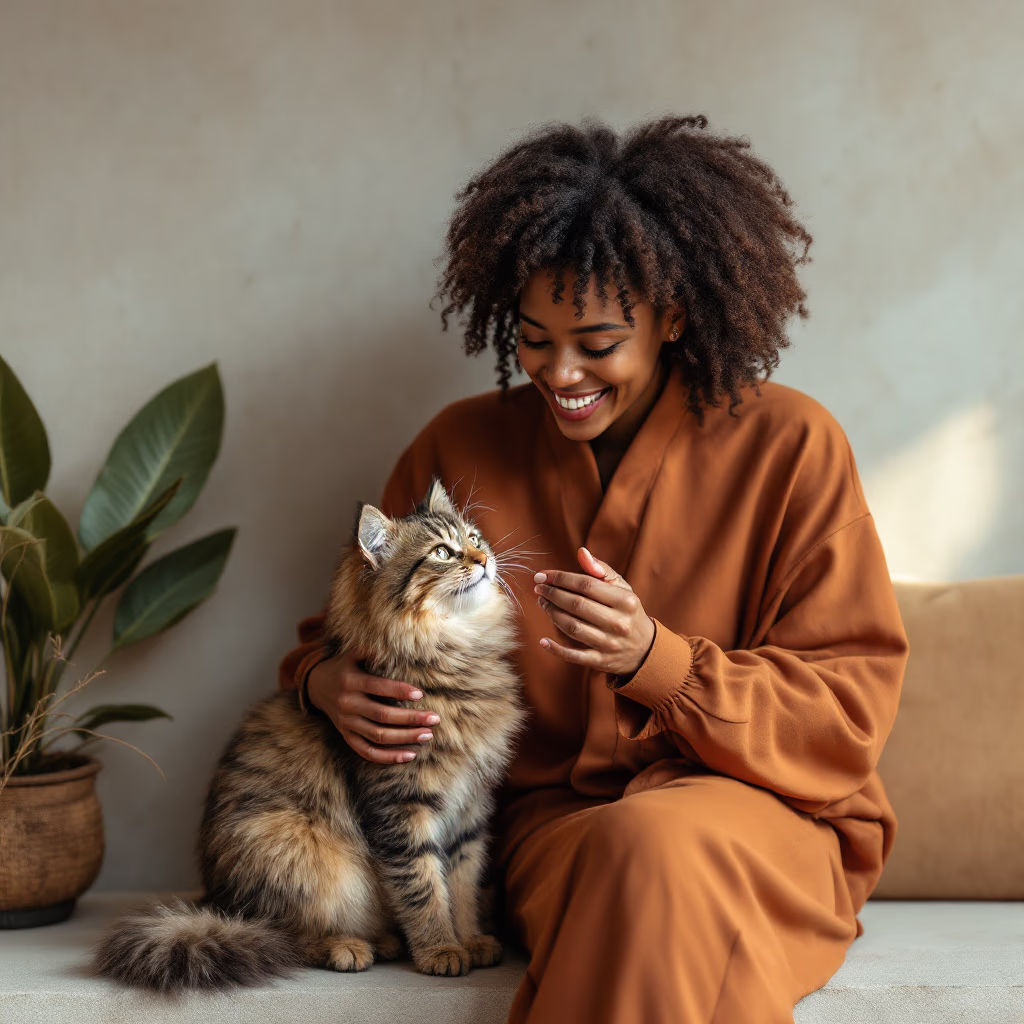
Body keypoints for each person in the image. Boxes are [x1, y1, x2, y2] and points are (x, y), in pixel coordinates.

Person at [278, 115, 909, 1024]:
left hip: (773, 821)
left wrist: (659, 660)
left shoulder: (794, 446)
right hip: (555, 833)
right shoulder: (456, 447)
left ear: (674, 318)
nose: (559, 371)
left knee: (657, 846)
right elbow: (346, 630)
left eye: (598, 343)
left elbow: (846, 717)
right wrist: (324, 682)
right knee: (634, 849)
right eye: (534, 339)